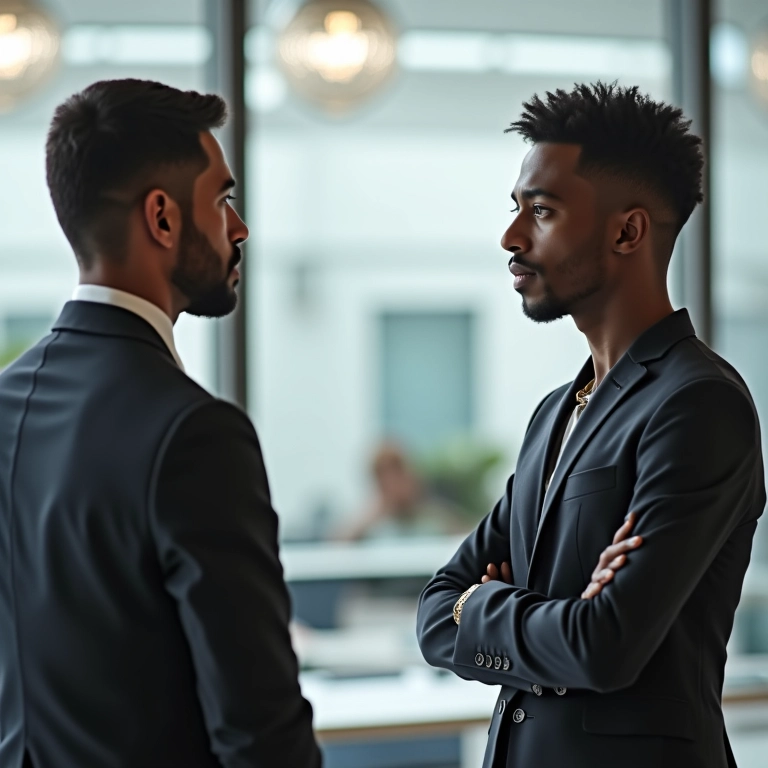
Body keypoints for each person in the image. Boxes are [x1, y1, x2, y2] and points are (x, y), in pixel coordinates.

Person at [416, 82, 765, 768]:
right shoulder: (554, 412)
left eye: (542, 211)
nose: (511, 237)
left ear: (627, 231)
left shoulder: (698, 404)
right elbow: (434, 611)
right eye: (516, 209)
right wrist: (539, 614)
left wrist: (483, 604)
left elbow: (603, 645)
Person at [0, 79, 321, 768]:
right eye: (223, 200)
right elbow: (258, 729)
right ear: (163, 218)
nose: (240, 228)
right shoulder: (195, 434)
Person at [340, 441, 468, 540]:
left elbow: (467, 539)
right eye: (386, 480)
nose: (395, 486)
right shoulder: (368, 524)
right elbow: (339, 548)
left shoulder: (435, 517)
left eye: (398, 475)